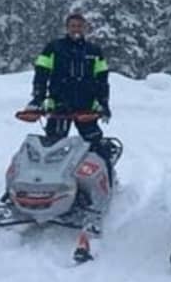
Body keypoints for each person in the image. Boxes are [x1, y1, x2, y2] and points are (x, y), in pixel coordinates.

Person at [26, 13, 113, 175]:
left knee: (95, 144)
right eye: (73, 26)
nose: (76, 29)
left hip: (86, 106)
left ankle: (108, 177)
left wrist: (104, 103)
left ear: (85, 28)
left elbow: (102, 79)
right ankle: (46, 180)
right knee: (53, 146)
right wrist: (38, 98)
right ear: (67, 28)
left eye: (79, 26)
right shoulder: (54, 48)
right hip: (59, 104)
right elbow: (41, 74)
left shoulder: (94, 51)